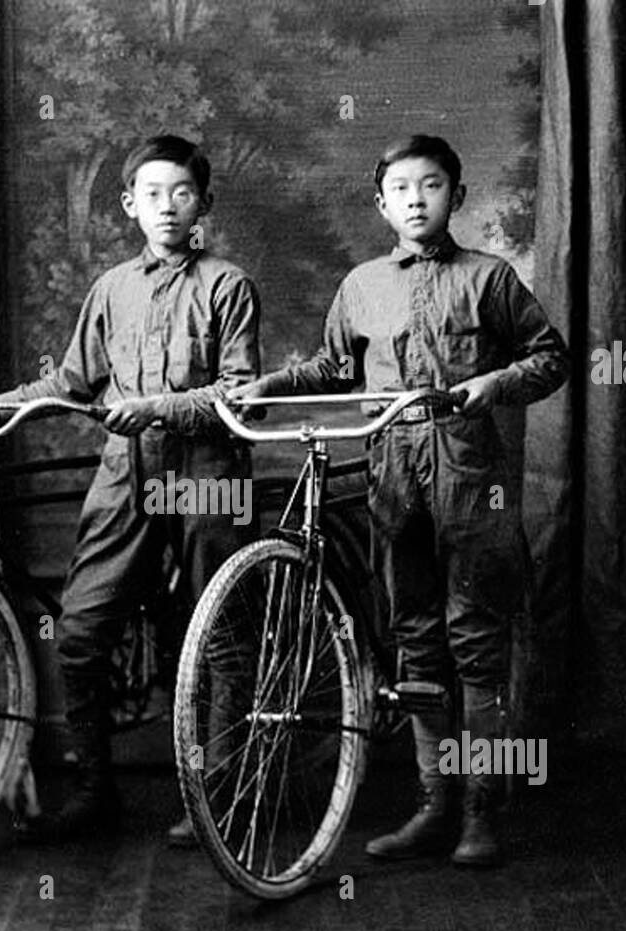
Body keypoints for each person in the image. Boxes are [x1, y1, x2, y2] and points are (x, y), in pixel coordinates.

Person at [230, 135, 568, 866]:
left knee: (475, 645)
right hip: (393, 475)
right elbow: (329, 365)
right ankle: (431, 807)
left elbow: (551, 358)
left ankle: (481, 815)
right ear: (380, 204)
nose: (417, 200)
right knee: (415, 638)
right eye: (402, 189)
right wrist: (272, 386)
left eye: (433, 184)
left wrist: (494, 385)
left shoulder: (491, 277)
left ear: (458, 196)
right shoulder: (361, 286)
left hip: (472, 479)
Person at [0, 134, 261, 844]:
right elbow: (68, 384)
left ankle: (217, 800)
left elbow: (240, 394)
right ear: (128, 205)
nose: (166, 207)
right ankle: (96, 792)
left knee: (215, 636)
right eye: (151, 194)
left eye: (181, 194)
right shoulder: (111, 290)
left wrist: (157, 407)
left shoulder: (227, 285)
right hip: (126, 475)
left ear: (204, 204)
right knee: (82, 631)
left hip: (206, 475)